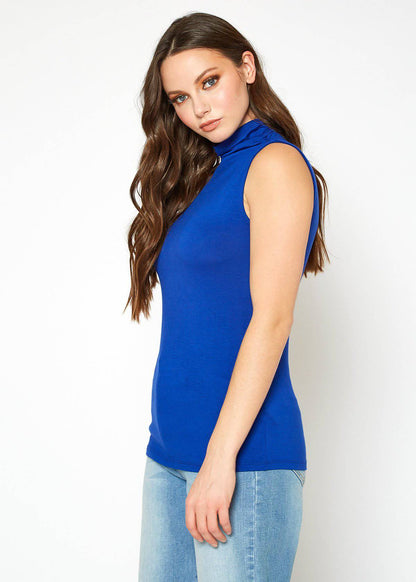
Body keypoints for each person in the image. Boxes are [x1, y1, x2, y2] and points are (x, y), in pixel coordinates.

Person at [125, 11, 329, 582]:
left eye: (210, 82)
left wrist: (221, 459)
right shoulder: (210, 174)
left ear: (247, 66)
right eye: (181, 98)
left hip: (244, 459)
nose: (200, 108)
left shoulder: (276, 164)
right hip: (168, 450)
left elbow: (272, 319)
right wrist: (179, 450)